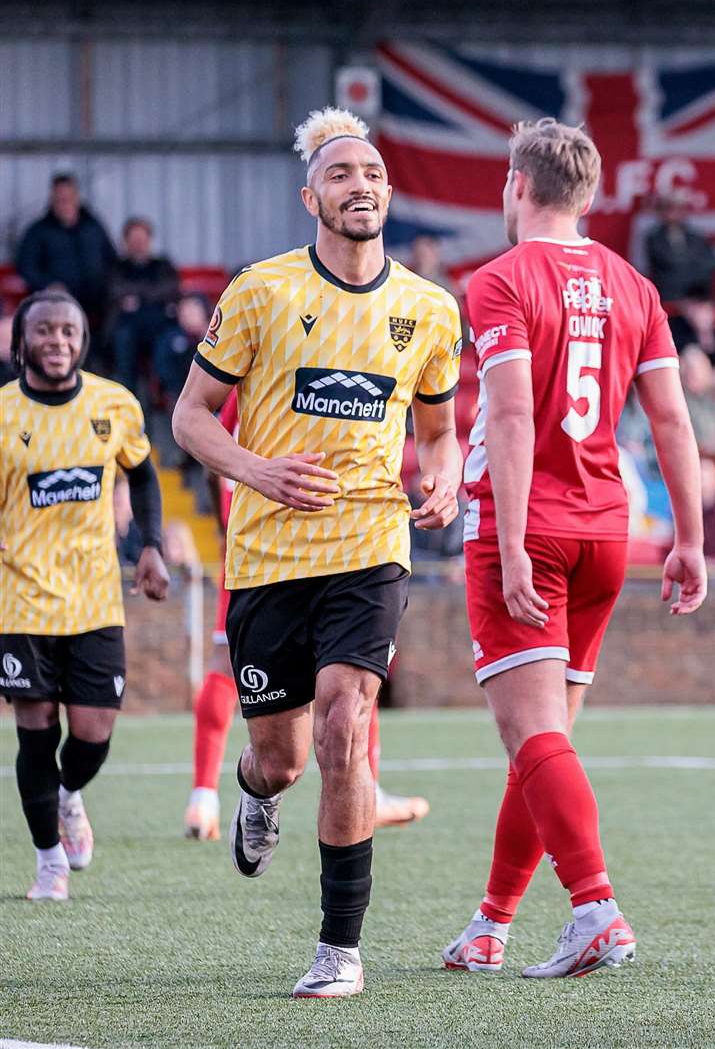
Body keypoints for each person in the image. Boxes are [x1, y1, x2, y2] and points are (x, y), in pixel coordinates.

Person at [171, 107, 464, 998]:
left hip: (370, 546)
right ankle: (254, 794)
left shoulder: (428, 309)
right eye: (341, 174)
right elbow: (189, 419)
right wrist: (258, 470)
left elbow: (441, 431)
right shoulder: (260, 293)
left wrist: (442, 477)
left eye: (373, 172)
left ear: (389, 191)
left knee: (347, 723)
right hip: (265, 559)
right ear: (312, 196)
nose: (361, 184)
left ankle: (340, 950)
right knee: (285, 758)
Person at [440, 117, 706, 980]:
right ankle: (491, 923)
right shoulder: (634, 285)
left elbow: (510, 415)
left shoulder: (498, 280)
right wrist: (690, 540)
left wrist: (510, 544)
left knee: (533, 741)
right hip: (607, 529)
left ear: (517, 187)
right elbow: (669, 417)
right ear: (588, 196)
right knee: (545, 743)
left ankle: (595, 908)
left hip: (529, 527)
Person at [183, 392, 433, 841]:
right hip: (272, 542)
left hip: (290, 540)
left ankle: (207, 799)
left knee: (352, 672)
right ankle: (214, 794)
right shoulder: (259, 372)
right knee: (266, 716)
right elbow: (203, 434)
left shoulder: (259, 380)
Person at [1, 291, 170, 901]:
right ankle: (48, 861)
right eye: (43, 330)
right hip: (20, 601)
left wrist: (151, 544)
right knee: (35, 728)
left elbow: (144, 473)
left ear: (83, 339)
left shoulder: (113, 404)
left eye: (68, 331)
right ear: (21, 342)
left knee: (94, 734)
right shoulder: (3, 416)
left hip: (96, 600)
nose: (57, 340)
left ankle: (70, 795)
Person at [15, 175, 120, 371]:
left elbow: (113, 261)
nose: (65, 203)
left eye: (68, 197)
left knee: (122, 328)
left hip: (99, 304)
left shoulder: (94, 226)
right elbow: (26, 267)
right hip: (57, 303)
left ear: (77, 197)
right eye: (59, 198)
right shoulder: (38, 231)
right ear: (52, 199)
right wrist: (47, 286)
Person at [108, 217, 182, 397]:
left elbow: (171, 288)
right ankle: (128, 396)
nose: (138, 245)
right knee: (122, 341)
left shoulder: (162, 265)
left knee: (172, 344)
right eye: (134, 241)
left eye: (142, 240)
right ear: (125, 242)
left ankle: (167, 398)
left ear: (149, 241)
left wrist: (138, 298)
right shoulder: (117, 267)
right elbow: (114, 291)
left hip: (160, 327)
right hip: (128, 328)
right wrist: (153, 296)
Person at [642, 191, 715, 303]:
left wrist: (695, 287)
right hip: (669, 298)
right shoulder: (653, 238)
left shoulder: (697, 237)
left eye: (678, 209)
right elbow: (663, 265)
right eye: (668, 209)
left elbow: (710, 264)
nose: (673, 213)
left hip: (696, 296)